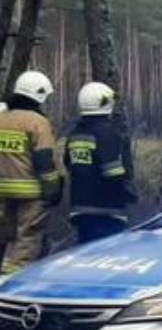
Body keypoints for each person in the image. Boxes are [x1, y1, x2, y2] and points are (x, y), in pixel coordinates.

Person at [0, 70, 61, 274]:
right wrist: (53, 189)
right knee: (26, 239)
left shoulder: (1, 118)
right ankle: (12, 280)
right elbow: (44, 161)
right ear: (39, 94)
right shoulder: (37, 122)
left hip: (3, 193)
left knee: (6, 237)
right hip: (31, 194)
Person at [65, 82, 136, 244]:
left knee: (87, 253)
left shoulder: (75, 133)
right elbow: (113, 172)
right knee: (107, 254)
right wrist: (126, 191)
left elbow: (68, 163)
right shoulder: (107, 133)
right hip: (107, 209)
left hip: (81, 207)